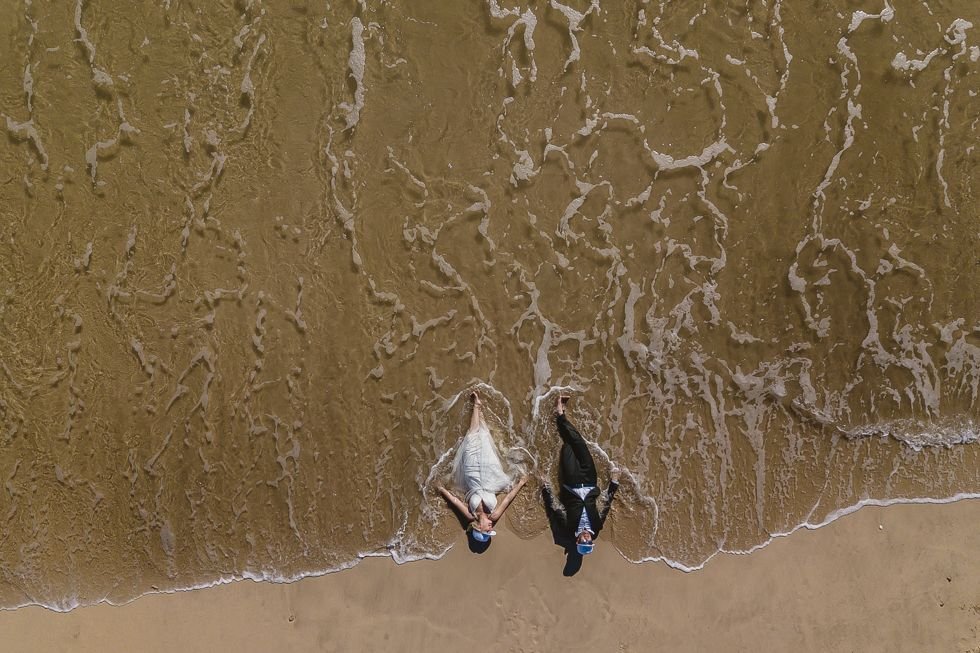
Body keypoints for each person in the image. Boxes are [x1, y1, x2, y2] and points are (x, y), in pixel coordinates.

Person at [436, 391, 527, 543]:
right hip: (490, 472)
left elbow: (455, 501)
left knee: (471, 439)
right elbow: (508, 499)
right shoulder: (494, 515)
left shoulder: (470, 515)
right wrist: (521, 483)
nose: (492, 528)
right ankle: (479, 409)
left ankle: (477, 407)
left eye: (488, 530)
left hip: (471, 476)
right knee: (483, 438)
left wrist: (441, 489)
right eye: (491, 530)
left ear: (479, 527)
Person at [542, 395, 620, 555]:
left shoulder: (568, 528)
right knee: (579, 443)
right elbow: (605, 506)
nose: (587, 538)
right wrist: (614, 483)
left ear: (578, 541)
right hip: (589, 479)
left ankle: (560, 416)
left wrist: (546, 488)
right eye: (589, 542)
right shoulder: (596, 527)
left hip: (572, 483)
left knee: (567, 447)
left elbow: (556, 510)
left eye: (584, 542)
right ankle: (560, 414)